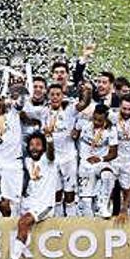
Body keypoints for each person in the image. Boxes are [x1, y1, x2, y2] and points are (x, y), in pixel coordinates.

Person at [22, 82, 92, 217]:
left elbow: (84, 103)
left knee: (70, 192)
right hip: (51, 158)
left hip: (68, 158)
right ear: (48, 96)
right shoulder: (42, 112)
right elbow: (23, 113)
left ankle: (71, 221)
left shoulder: (70, 110)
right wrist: (33, 123)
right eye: (52, 95)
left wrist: (88, 92)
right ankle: (58, 221)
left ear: (62, 96)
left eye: (58, 95)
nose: (55, 97)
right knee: (56, 192)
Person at [1, 131, 57, 259]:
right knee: (4, 206)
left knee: (23, 222)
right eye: (31, 145)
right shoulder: (26, 162)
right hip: (27, 203)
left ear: (43, 148)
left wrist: (49, 139)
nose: (34, 148)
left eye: (38, 145)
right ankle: (21, 246)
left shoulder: (48, 161)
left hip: (44, 205)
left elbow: (51, 153)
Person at [74, 103, 119, 218]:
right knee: (86, 202)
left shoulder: (111, 130)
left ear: (105, 117)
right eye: (95, 119)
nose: (97, 122)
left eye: (100, 120)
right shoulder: (83, 124)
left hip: (100, 163)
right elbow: (74, 134)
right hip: (84, 165)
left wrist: (100, 158)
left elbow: (114, 153)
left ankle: (103, 205)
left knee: (108, 174)